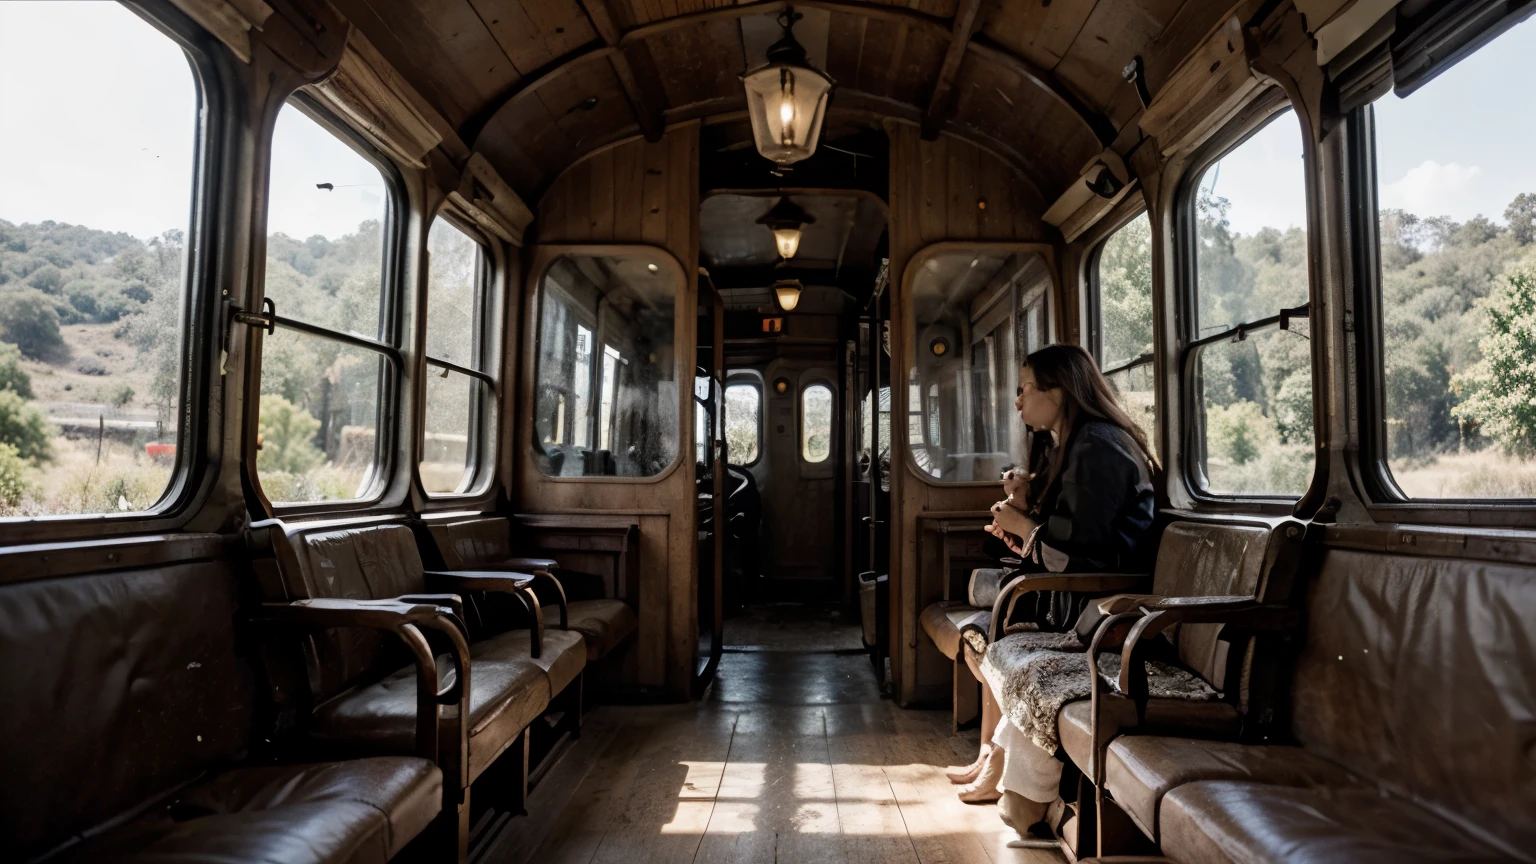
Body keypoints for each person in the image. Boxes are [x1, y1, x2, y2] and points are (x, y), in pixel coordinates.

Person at [944, 344, 1158, 840]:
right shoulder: (1076, 444)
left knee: (992, 633)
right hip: (1078, 598)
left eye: (1025, 389)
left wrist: (1024, 525)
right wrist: (1023, 516)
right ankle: (994, 761)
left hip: (1103, 609)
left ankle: (1009, 777)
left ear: (1058, 391)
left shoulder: (1097, 447)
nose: (1017, 401)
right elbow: (1072, 541)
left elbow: (1083, 559)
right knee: (992, 632)